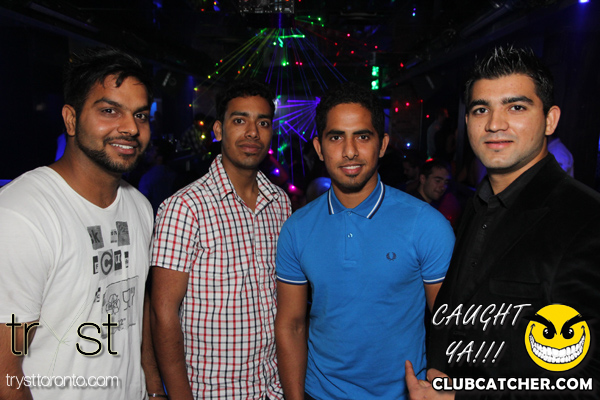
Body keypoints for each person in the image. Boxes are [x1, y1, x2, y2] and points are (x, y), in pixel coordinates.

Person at [406, 46, 600, 398]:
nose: (495, 124)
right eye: (481, 109)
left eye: (516, 107)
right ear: (467, 122)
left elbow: (586, 384)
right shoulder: (478, 204)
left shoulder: (586, 219)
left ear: (550, 119)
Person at [0, 47, 165, 399]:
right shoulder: (21, 215)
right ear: (71, 119)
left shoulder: (139, 208)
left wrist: (154, 390)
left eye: (140, 115)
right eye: (109, 111)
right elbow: (4, 371)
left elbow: (137, 311)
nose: (130, 128)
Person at [275, 82, 455, 400]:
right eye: (336, 137)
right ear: (319, 147)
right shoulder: (297, 229)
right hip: (319, 393)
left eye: (362, 136)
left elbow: (451, 327)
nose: (350, 151)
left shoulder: (427, 225)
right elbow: (291, 324)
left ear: (382, 144)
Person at [150, 79, 291, 400]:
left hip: (272, 388)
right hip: (212, 391)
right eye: (240, 120)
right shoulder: (185, 207)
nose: (252, 132)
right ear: (218, 130)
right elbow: (162, 313)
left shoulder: (280, 203)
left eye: (263, 123)